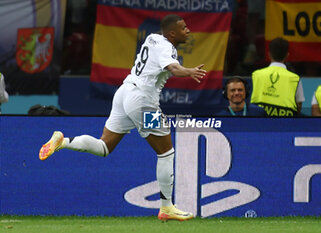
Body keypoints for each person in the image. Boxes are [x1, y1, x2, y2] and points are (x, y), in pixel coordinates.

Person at [39, 14, 206, 221]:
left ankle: (62, 141)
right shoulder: (167, 48)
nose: (188, 30)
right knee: (166, 152)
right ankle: (166, 207)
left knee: (104, 147)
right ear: (172, 33)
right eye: (183, 28)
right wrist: (188, 71)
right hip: (143, 102)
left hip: (124, 93)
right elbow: (173, 67)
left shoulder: (152, 38)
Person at [250, 37, 305, 117]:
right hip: (284, 124)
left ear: (269, 54)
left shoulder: (256, 75)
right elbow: (299, 105)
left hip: (259, 122)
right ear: (287, 55)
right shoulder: (295, 79)